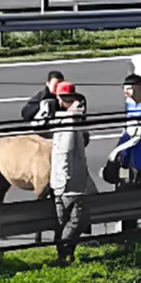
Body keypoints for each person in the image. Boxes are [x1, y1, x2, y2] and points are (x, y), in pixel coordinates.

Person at [50, 82, 91, 264]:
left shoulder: (60, 118)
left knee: (64, 222)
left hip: (60, 183)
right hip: (70, 184)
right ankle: (64, 254)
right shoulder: (68, 121)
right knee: (77, 221)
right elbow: (65, 151)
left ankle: (65, 255)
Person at [106, 73, 141, 189]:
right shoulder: (129, 101)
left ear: (138, 88)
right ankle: (123, 178)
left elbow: (140, 132)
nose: (125, 91)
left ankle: (136, 180)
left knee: (138, 159)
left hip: (140, 136)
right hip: (128, 133)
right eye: (124, 88)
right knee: (122, 157)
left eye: (129, 88)